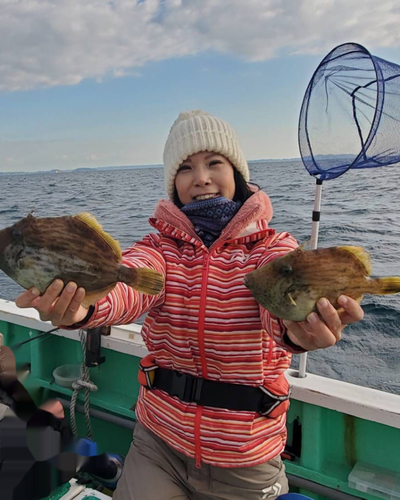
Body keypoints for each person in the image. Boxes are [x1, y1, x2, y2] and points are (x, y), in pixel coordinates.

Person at [15, 110, 364, 500]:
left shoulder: (272, 249)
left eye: (214, 162)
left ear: (238, 173)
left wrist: (298, 330)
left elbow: (277, 311)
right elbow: (132, 283)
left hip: (244, 453)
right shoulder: (159, 248)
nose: (200, 177)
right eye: (185, 168)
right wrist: (83, 310)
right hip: (157, 442)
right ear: (173, 184)